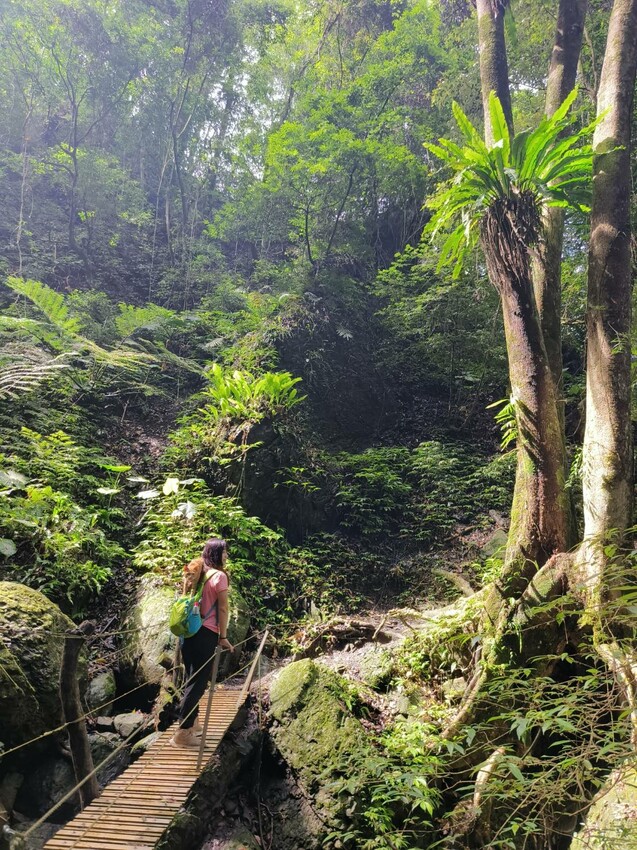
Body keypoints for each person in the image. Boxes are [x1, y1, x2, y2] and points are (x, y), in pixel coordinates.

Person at [171, 538, 235, 748]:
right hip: (206, 632)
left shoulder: (197, 571)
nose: (226, 556)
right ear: (217, 554)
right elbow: (223, 608)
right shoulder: (219, 577)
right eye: (224, 552)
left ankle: (193, 723)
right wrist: (223, 637)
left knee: (192, 677)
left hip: (188, 632)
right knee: (198, 683)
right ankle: (183, 732)